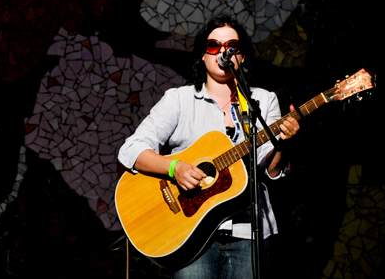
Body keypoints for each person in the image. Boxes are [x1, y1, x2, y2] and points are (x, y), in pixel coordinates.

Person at [118, 15, 299, 278]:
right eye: (214, 46)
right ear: (203, 55)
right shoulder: (179, 100)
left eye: (232, 47)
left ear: (243, 56)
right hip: (188, 234)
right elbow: (131, 149)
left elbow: (270, 169)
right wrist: (174, 168)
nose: (223, 52)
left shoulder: (263, 100)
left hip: (249, 234)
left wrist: (282, 144)